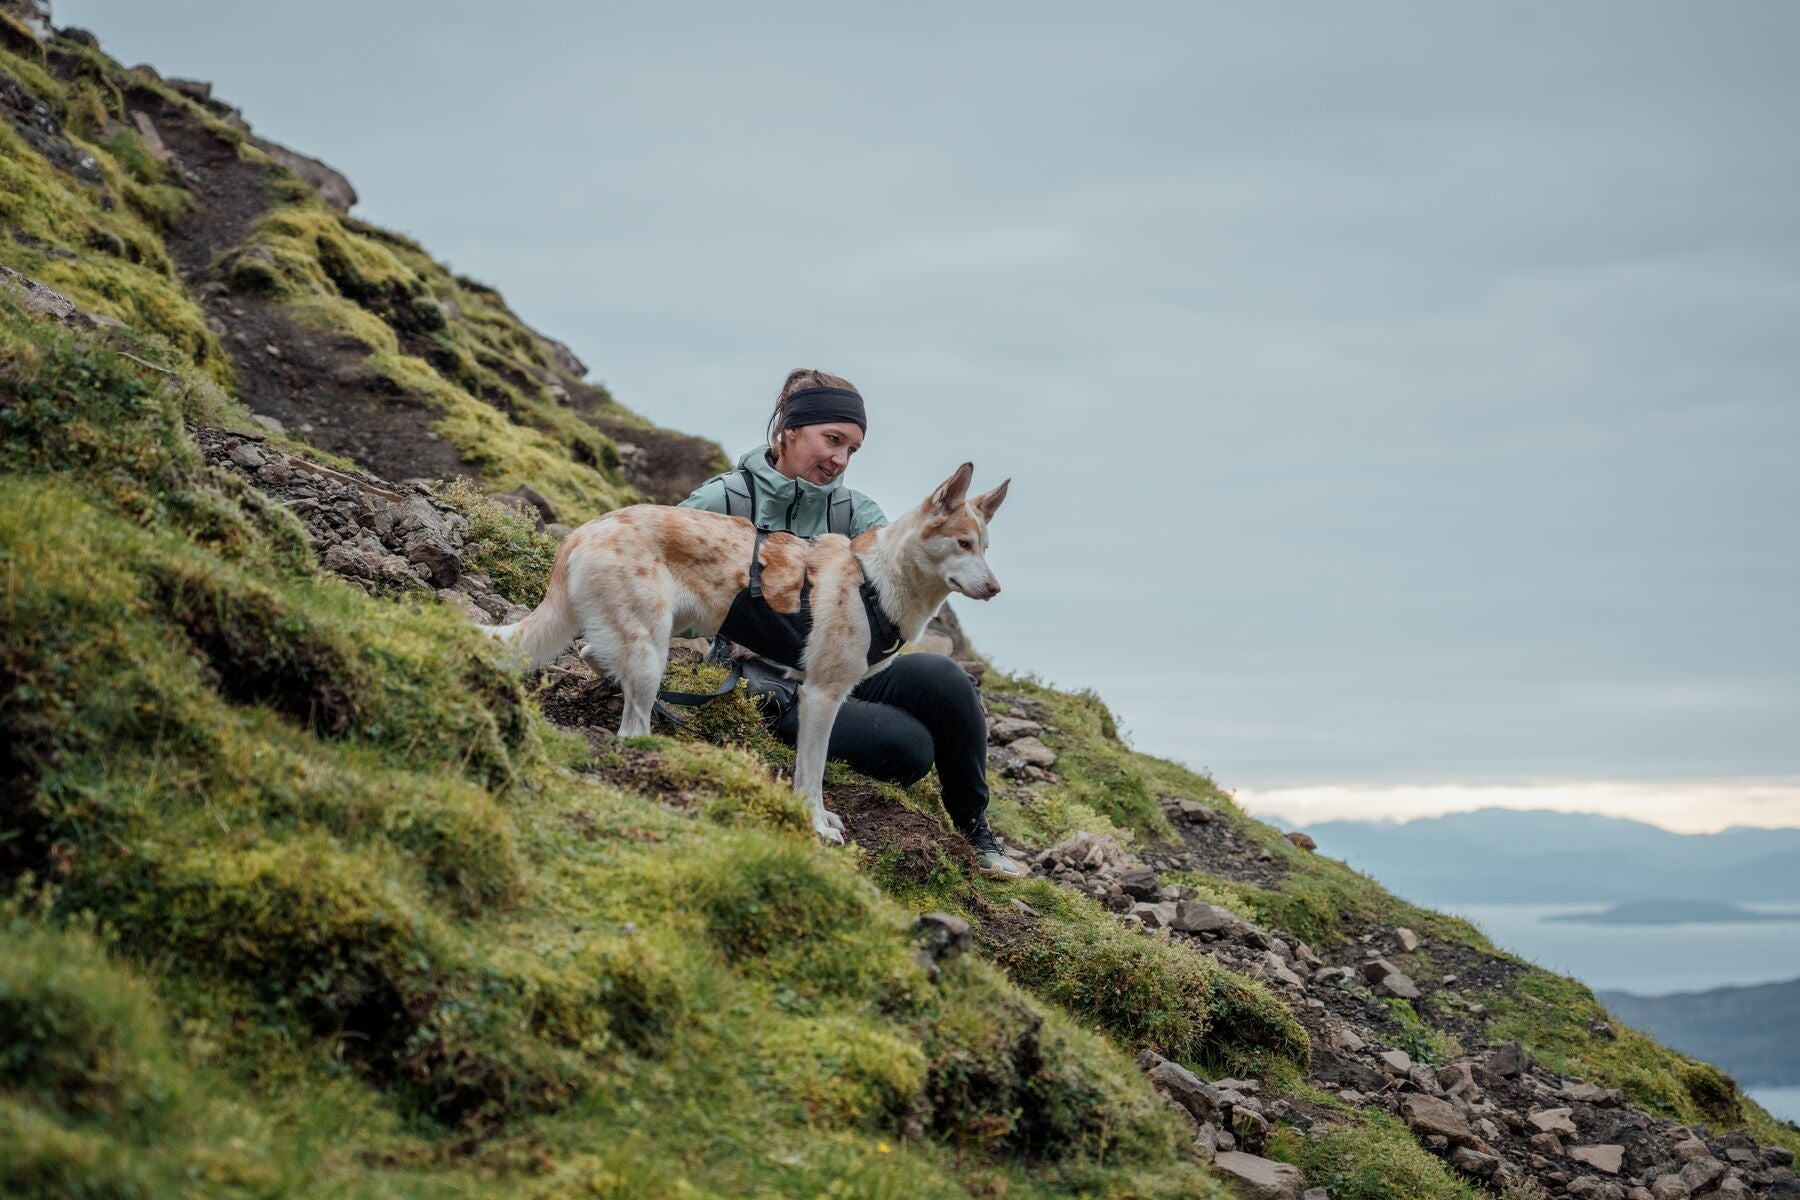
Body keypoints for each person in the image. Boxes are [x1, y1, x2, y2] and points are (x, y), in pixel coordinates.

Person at [678, 368, 1026, 878]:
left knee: (946, 681)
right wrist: (727, 628)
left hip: (848, 660)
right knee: (910, 749)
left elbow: (894, 589)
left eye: (853, 449)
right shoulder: (724, 500)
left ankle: (975, 830)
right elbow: (665, 590)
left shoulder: (857, 511)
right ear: (789, 430)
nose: (840, 459)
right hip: (765, 677)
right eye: (832, 440)